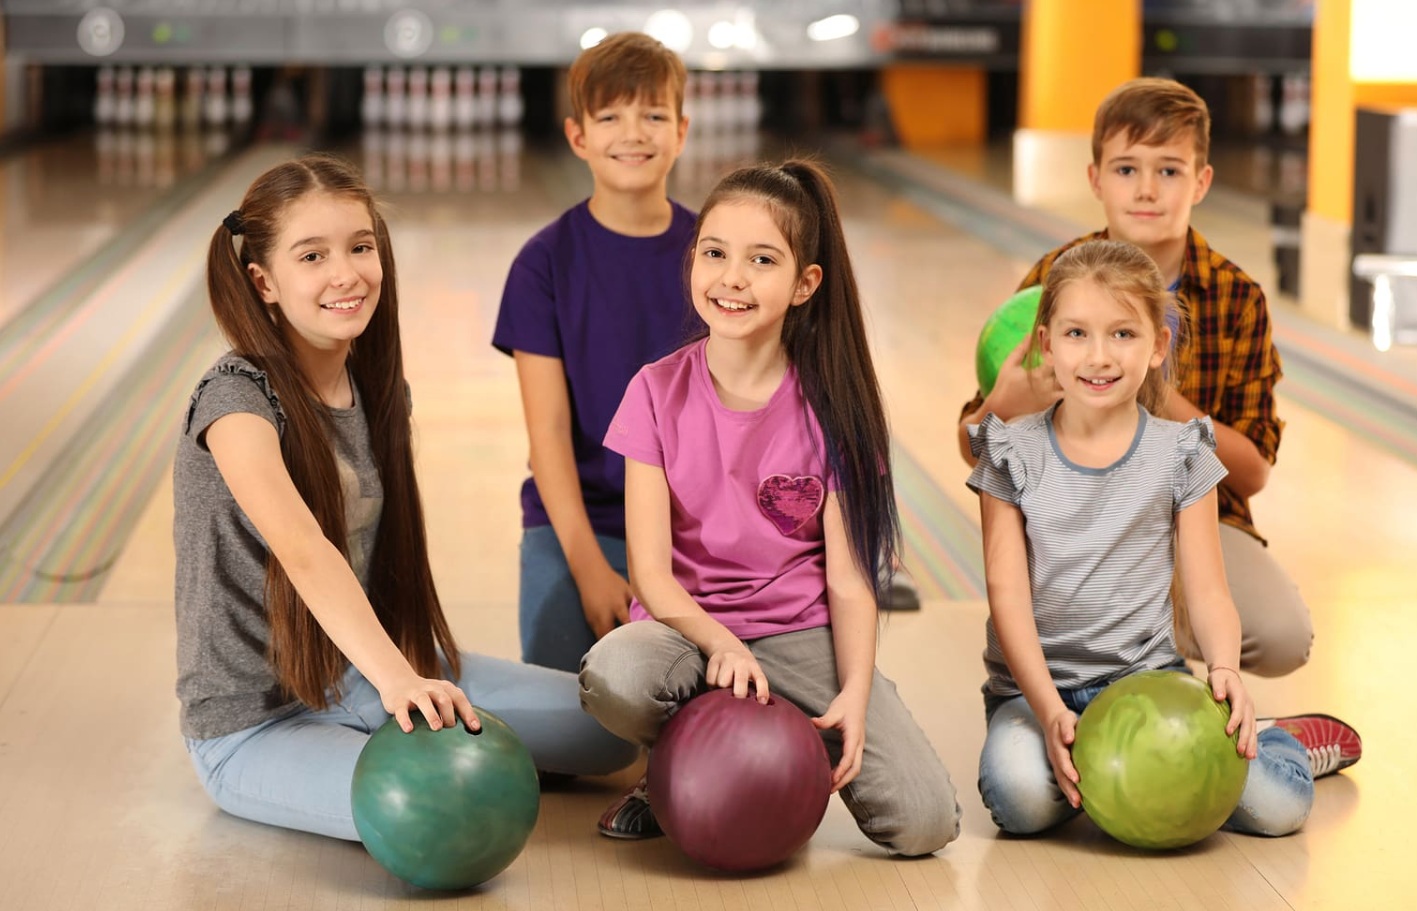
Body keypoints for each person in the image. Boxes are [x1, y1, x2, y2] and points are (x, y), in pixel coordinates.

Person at [174, 154, 637, 841]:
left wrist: (400, 671)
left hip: (370, 670)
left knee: (614, 728)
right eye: (312, 256)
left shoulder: (375, 388)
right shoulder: (236, 402)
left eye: (361, 246)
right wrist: (399, 682)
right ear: (263, 280)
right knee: (448, 811)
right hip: (255, 722)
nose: (346, 273)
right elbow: (305, 549)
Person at [579, 161, 961, 855]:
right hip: (685, 635)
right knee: (616, 675)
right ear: (692, 261)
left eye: (762, 260)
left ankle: (778, 755)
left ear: (804, 284)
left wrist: (853, 691)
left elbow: (849, 580)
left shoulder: (833, 409)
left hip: (797, 633)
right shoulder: (655, 390)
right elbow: (650, 575)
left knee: (925, 821)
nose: (733, 278)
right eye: (716, 254)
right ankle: (669, 768)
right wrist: (719, 640)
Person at [958, 77, 1320, 678]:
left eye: (1170, 171)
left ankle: (1167, 675)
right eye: (1127, 169)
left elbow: (1251, 473)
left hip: (1191, 523)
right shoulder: (1054, 280)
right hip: (1070, 521)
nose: (1147, 189)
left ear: (1201, 181)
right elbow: (973, 447)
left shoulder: (1236, 297)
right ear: (1096, 177)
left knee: (1282, 637)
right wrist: (1001, 404)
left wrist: (1157, 392)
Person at [968, 239, 1320, 837]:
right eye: (1076, 334)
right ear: (1046, 344)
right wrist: (1051, 710)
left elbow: (1208, 593)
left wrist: (1226, 669)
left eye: (1123, 335)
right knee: (1020, 800)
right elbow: (1008, 599)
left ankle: (1283, 741)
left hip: (1148, 681)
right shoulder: (1009, 451)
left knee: (1277, 808)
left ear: (1158, 346)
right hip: (1035, 693)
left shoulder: (1181, 452)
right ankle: (1091, 768)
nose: (1099, 356)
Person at [493, 32, 696, 673]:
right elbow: (548, 435)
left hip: (693, 531)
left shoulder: (715, 254)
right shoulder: (544, 264)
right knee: (579, 735)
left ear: (682, 131)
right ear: (578, 137)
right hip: (579, 523)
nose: (633, 133)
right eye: (610, 116)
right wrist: (587, 569)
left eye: (654, 115)